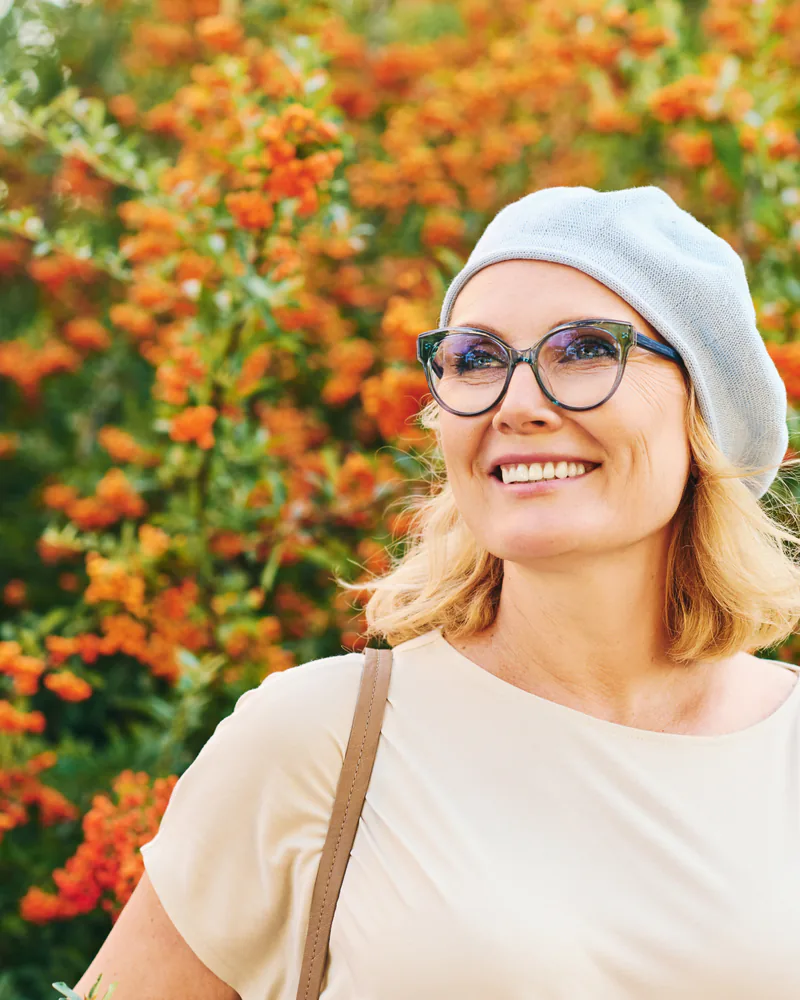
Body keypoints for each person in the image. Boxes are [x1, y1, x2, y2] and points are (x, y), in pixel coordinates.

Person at [73, 185, 800, 1000]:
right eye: (475, 359)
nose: (518, 404)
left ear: (705, 407)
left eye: (586, 349)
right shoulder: (322, 740)